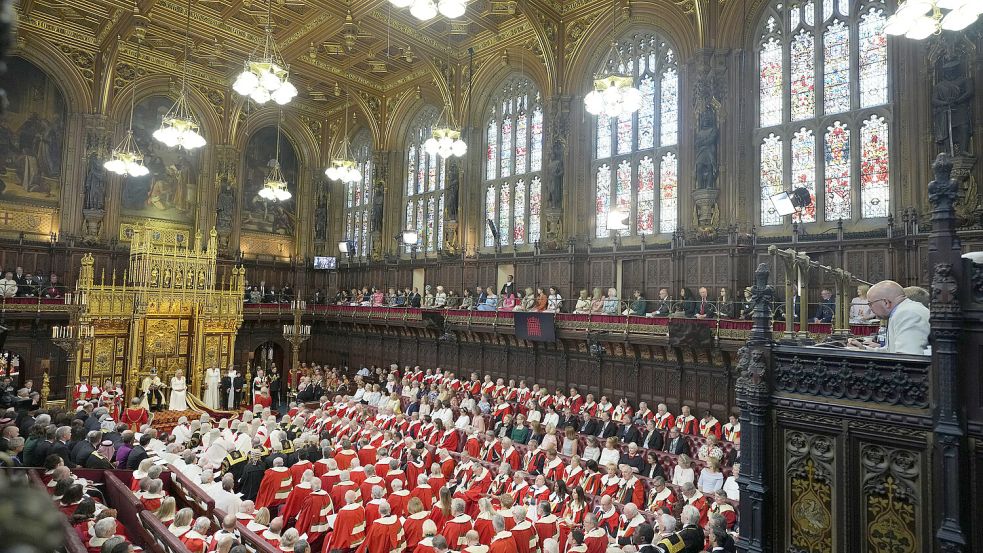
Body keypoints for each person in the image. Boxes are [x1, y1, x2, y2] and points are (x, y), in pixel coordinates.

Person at [848, 280, 930, 355]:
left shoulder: (907, 314)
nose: (870, 308)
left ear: (886, 302)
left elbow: (907, 358)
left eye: (870, 303)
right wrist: (863, 349)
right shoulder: (900, 311)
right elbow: (891, 351)